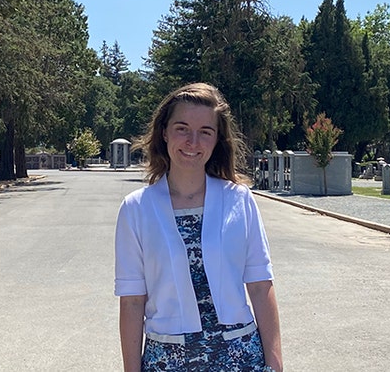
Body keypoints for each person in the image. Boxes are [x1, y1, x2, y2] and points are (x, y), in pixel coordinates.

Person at [114, 82, 283, 371]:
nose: (193, 142)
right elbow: (132, 302)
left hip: (239, 357)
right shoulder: (137, 208)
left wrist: (276, 366)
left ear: (217, 139)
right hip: (167, 360)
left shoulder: (239, 200)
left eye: (205, 132)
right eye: (182, 128)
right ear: (164, 132)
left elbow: (260, 286)